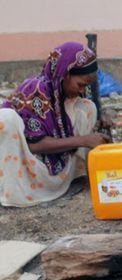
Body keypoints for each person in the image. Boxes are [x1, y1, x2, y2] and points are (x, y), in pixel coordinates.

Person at [0, 41, 111, 207]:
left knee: (87, 106)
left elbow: (65, 125)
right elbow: (34, 146)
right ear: (64, 74)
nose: (82, 91)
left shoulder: (62, 90)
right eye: (80, 85)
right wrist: (84, 140)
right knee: (5, 118)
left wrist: (100, 123)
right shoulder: (36, 90)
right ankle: (14, 191)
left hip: (50, 160)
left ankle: (73, 177)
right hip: (23, 161)